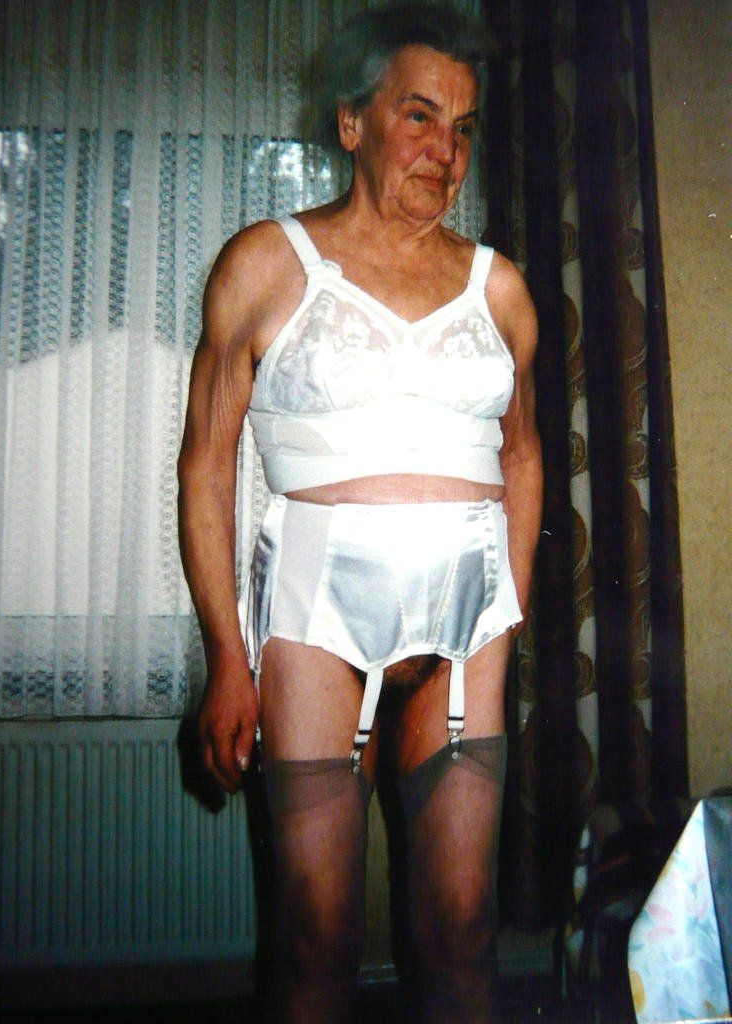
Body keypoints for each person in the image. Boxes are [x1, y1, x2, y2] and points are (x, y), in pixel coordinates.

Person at [178, 4, 541, 1022]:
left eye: (462, 128)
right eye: (419, 116)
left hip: (465, 630)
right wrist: (226, 656)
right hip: (315, 625)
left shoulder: (500, 290)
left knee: (462, 925)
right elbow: (205, 466)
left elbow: (522, 456)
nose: (445, 152)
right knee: (316, 935)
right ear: (352, 122)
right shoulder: (264, 265)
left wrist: (506, 611)